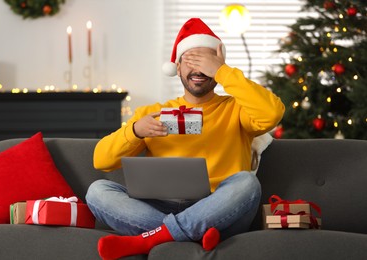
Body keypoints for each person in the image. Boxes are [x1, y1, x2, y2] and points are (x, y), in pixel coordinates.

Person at [86, 17, 285, 260]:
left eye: (207, 62)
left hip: (219, 207)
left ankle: (152, 237)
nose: (199, 69)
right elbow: (101, 161)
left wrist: (223, 72)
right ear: (177, 67)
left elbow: (272, 113)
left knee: (246, 184)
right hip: (163, 206)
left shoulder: (236, 109)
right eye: (190, 61)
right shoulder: (151, 113)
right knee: (97, 191)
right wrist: (135, 130)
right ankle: (194, 232)